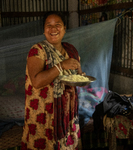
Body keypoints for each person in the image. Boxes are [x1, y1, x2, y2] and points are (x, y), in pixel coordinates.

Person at [21, 11, 84, 150]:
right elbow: (36, 81)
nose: (53, 29)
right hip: (44, 114)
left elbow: (77, 72)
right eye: (48, 25)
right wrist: (61, 66)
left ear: (64, 28)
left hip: (68, 113)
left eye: (58, 25)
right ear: (43, 30)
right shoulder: (37, 51)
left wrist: (81, 75)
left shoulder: (71, 50)